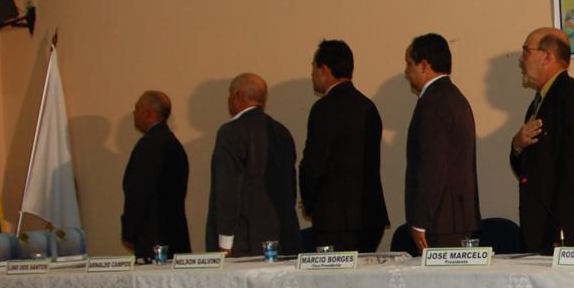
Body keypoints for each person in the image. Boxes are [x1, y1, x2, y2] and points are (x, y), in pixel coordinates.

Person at [508, 27, 574, 251]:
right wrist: (517, 146)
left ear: (546, 56)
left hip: (571, 239)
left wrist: (562, 233)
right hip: (544, 234)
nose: (520, 59)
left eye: (526, 51)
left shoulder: (573, 98)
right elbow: (534, 172)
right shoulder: (538, 104)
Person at [298, 39, 389, 252]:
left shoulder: (324, 108)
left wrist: (309, 202)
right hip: (370, 216)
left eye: (313, 68)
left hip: (335, 219)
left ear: (325, 70)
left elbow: (314, 164)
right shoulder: (368, 106)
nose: (312, 74)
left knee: (333, 274)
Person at [205, 72, 300, 256]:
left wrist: (225, 241)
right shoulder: (282, 132)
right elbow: (290, 187)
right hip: (281, 236)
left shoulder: (231, 132)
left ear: (238, 96)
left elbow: (227, 189)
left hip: (244, 238)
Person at [403, 33, 480, 250]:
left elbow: (432, 165)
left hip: (439, 220)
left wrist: (419, 221)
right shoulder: (454, 96)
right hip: (454, 218)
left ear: (424, 65)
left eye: (409, 63)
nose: (406, 71)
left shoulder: (433, 102)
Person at [120, 90, 192, 259]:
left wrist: (129, 231)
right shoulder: (173, 143)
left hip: (153, 237)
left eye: (137, 109)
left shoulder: (149, 146)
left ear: (148, 113)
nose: (134, 113)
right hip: (174, 232)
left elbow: (138, 192)